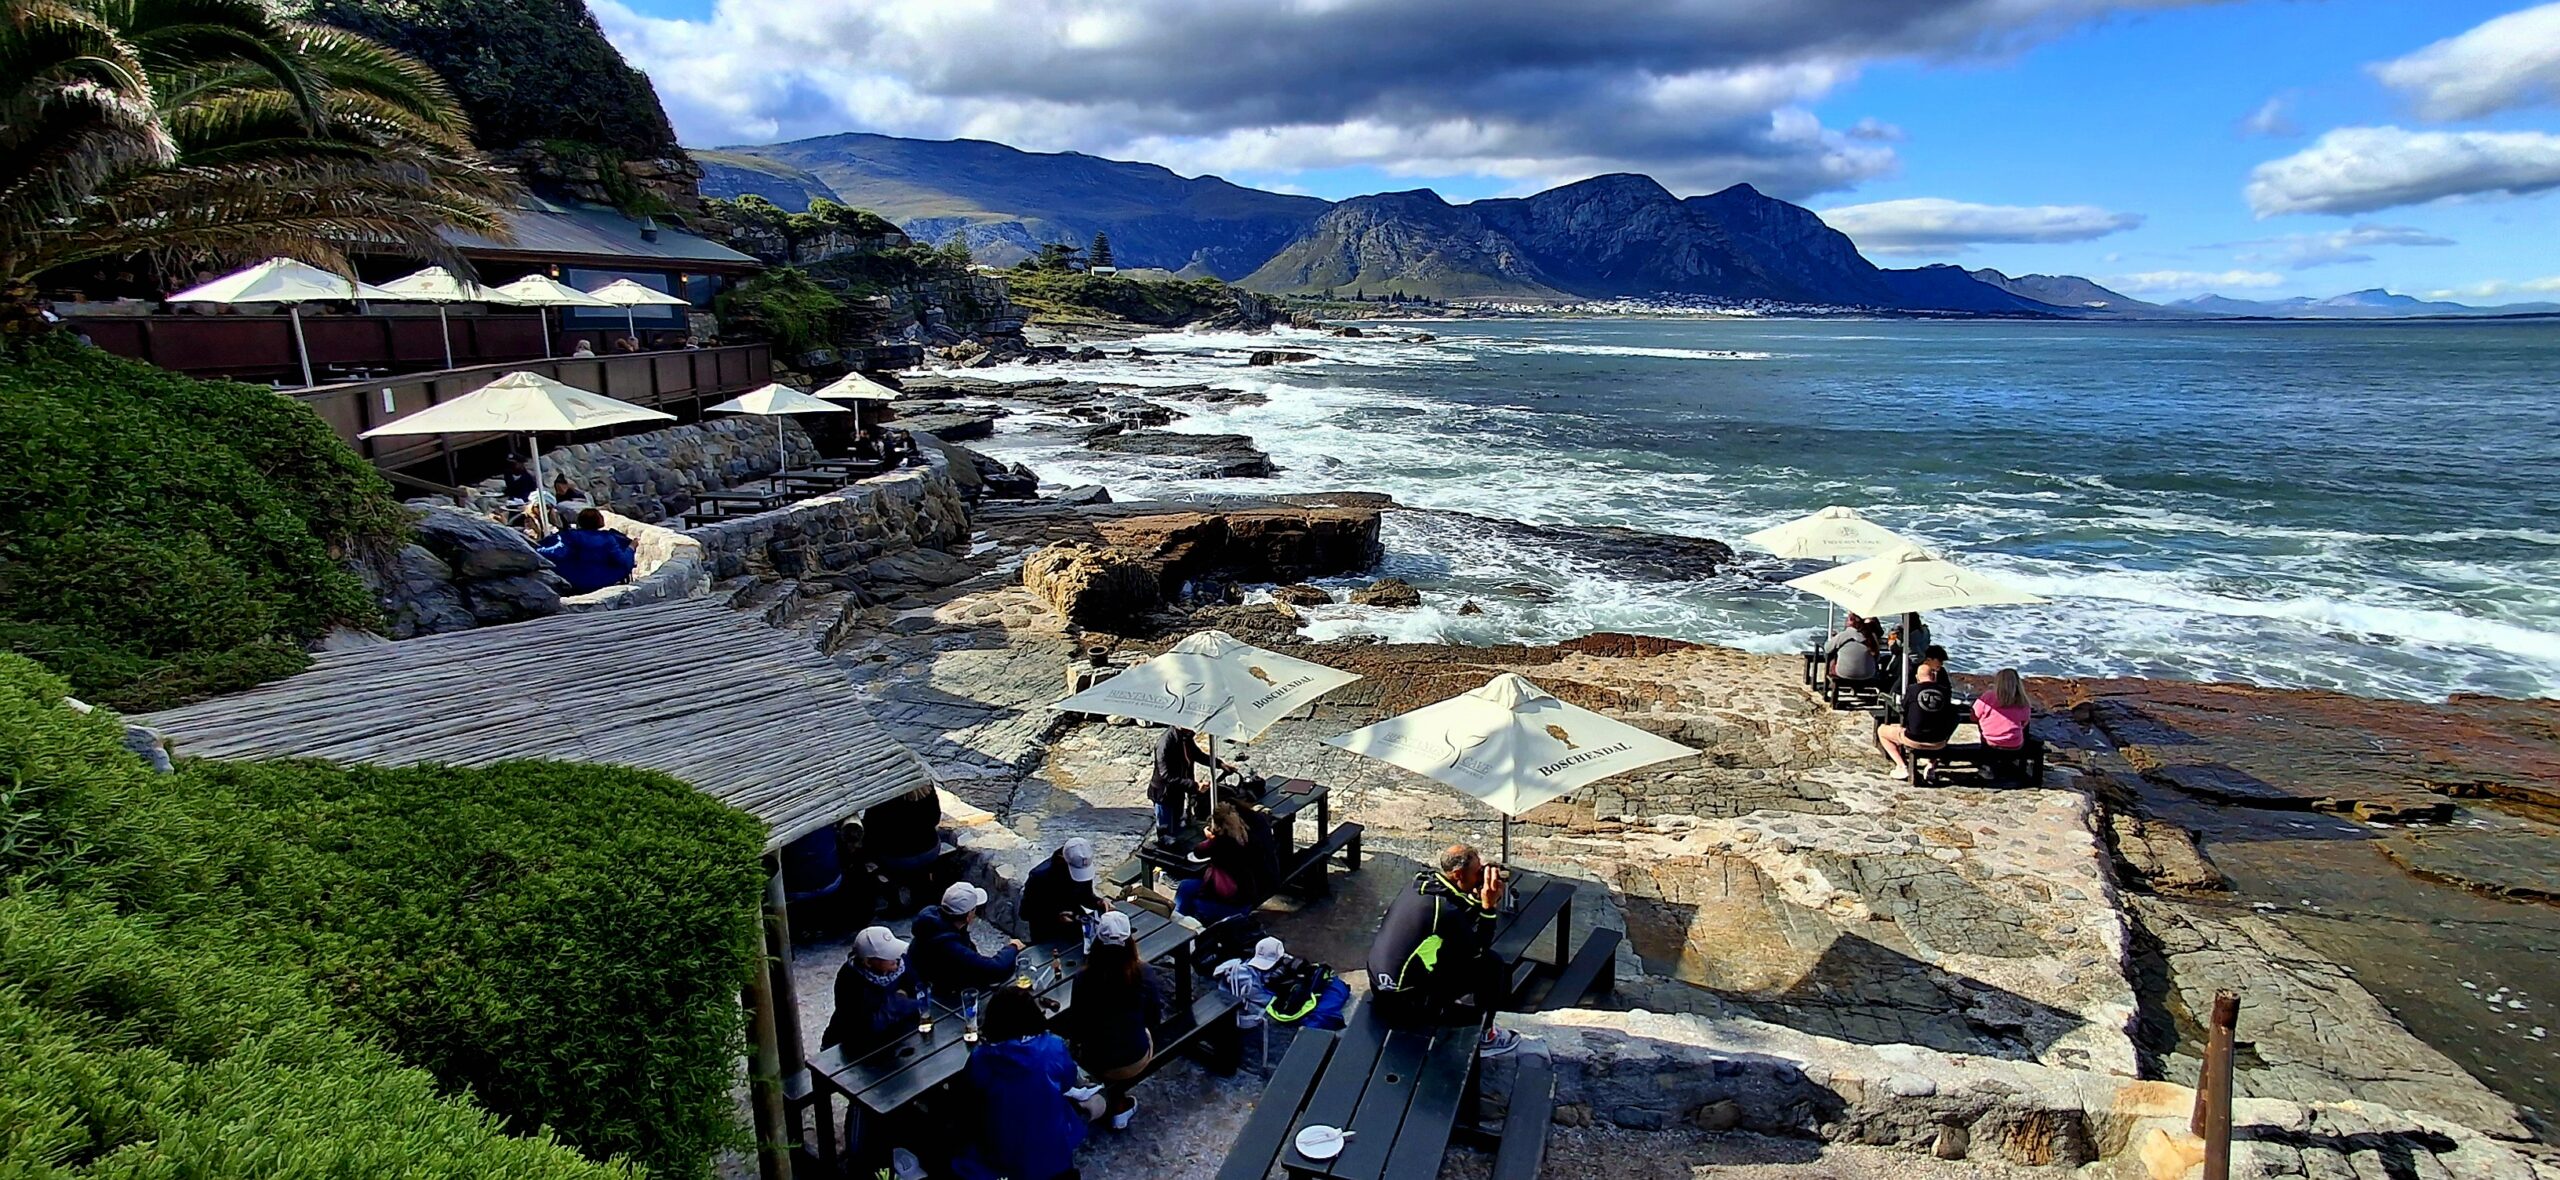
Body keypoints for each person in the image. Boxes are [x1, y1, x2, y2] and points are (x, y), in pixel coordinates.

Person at [1365, 844, 1521, 1055]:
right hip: (1403, 1004)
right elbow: (1478, 950)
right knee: (1491, 965)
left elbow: (1458, 915)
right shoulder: (1445, 913)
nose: (1481, 873)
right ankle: (1486, 1036)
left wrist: (1475, 893)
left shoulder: (1423, 883)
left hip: (1380, 986)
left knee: (1448, 950)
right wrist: (1488, 907)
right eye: (1478, 871)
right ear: (1458, 874)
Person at [955, 986, 1101, 1180]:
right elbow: (1068, 1082)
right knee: (1097, 1101)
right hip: (1051, 1151)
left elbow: (969, 1097)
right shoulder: (1053, 1047)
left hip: (1002, 1151)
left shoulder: (980, 1059)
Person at [1067, 911, 1161, 1130]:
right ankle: (1118, 1105)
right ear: (1130, 941)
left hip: (1097, 1060)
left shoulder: (1083, 977)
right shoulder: (1144, 972)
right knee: (1137, 1032)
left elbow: (1077, 1025)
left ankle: (1113, 1103)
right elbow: (1154, 1016)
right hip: (1135, 1057)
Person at [819, 925, 926, 1059]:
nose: (897, 957)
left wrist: (889, 1006)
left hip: (895, 1038)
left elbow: (917, 994)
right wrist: (897, 1002)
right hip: (850, 1047)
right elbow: (866, 1025)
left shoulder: (901, 964)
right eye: (889, 955)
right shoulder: (850, 980)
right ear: (868, 962)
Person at [908, 882, 1021, 997]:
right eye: (974, 909)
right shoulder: (950, 947)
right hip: (947, 994)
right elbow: (996, 969)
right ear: (968, 916)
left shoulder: (931, 924)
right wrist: (1013, 947)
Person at [1174, 801, 1277, 925]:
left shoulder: (1221, 843)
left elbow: (1198, 851)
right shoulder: (1248, 836)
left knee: (1192, 903)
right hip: (1250, 891)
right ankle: (1180, 922)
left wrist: (1210, 837)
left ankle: (1181, 927)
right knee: (1186, 886)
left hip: (1233, 900)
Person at [1875, 646, 1959, 780]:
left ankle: (1902, 766)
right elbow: (1897, 689)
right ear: (1929, 660)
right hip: (1937, 737)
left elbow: (1905, 706)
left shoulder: (1933, 677)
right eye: (1939, 661)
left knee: (1885, 730)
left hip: (1915, 733)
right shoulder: (1913, 671)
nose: (1941, 665)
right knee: (1949, 721)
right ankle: (1931, 762)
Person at [1022, 837, 1112, 945]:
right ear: (1062, 860)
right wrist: (1055, 917)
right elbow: (1025, 913)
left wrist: (1099, 902)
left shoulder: (1082, 867)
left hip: (1076, 927)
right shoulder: (1039, 878)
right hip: (1047, 935)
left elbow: (1085, 896)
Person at [1149, 726, 1229, 846]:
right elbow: (1166, 775)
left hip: (1178, 791)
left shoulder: (1186, 738)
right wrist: (1195, 785)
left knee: (1177, 826)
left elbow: (1198, 755)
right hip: (1164, 794)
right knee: (1165, 833)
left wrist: (1219, 764)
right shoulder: (1165, 744)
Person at [535, 508, 637, 594]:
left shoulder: (570, 536)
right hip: (602, 580)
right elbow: (622, 560)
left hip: (574, 581)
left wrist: (536, 549)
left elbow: (557, 553)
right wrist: (631, 548)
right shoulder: (608, 538)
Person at [1973, 667, 2033, 750]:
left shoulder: (1988, 697)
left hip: (1990, 741)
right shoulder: (2022, 701)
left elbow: (1974, 716)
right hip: (2014, 744)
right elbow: (2024, 722)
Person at [1823, 613, 1883, 684]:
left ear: (1851, 620)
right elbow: (1877, 658)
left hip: (1844, 673)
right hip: (1868, 674)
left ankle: (1828, 686)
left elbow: (1827, 649)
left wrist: (1832, 639)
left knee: (1831, 659)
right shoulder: (1871, 636)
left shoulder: (1843, 635)